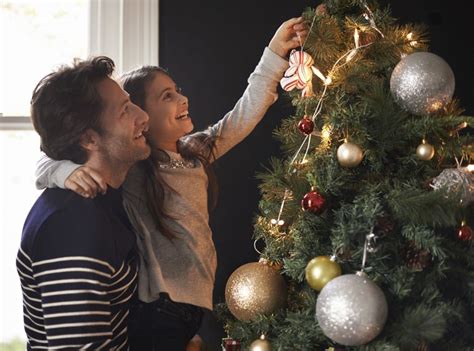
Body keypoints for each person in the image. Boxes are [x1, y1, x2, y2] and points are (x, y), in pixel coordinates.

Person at [35, 17, 308, 350]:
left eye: (177, 90)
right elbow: (52, 155)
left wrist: (276, 52)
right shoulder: (136, 166)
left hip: (195, 305)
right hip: (161, 305)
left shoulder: (195, 154)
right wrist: (64, 172)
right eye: (166, 96)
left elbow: (245, 112)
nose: (182, 98)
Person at [16, 56, 150, 350]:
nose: (143, 116)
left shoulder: (103, 198)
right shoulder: (72, 224)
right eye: (126, 110)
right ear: (89, 139)